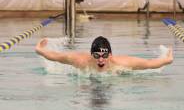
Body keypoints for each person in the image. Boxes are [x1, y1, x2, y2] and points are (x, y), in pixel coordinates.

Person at [35, 36, 173, 72]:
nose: (101, 59)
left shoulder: (121, 63)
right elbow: (56, 56)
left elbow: (149, 64)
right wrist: (40, 50)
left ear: (110, 55)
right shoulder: (80, 61)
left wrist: (167, 60)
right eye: (96, 56)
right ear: (91, 55)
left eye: (104, 56)